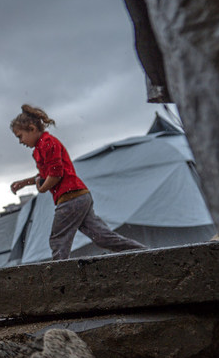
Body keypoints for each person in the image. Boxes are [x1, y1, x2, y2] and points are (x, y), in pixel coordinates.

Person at [9, 104, 146, 260]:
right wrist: (24, 183)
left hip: (70, 198)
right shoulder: (40, 148)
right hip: (80, 197)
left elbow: (55, 175)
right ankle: (144, 252)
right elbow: (44, 175)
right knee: (102, 237)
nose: (20, 141)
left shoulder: (47, 143)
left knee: (58, 239)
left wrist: (42, 189)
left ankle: (60, 275)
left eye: (20, 136)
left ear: (32, 129)